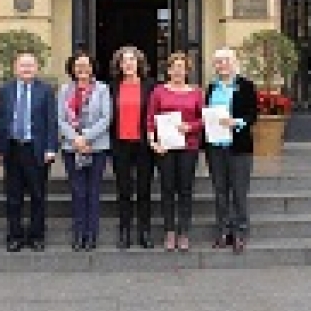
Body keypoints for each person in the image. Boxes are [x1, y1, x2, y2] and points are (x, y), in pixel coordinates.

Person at [0, 52, 59, 252]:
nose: (26, 69)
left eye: (30, 65)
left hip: (36, 149)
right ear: (15, 68)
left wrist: (51, 148)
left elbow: (51, 121)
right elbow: (1, 120)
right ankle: (14, 236)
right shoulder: (5, 90)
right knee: (13, 196)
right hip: (13, 148)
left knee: (37, 195)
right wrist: (0, 148)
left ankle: (36, 236)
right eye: (23, 65)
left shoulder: (46, 91)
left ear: (36, 68)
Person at [146, 52, 204, 252]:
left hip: (189, 147)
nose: (178, 70)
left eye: (182, 67)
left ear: (188, 71)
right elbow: (151, 118)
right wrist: (152, 141)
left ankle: (184, 231)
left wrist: (191, 127)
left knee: (185, 189)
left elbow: (203, 119)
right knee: (167, 188)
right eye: (174, 67)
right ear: (168, 71)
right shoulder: (158, 91)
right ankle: (169, 231)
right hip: (165, 147)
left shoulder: (196, 92)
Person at [205, 47, 258, 254]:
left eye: (226, 60)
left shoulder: (245, 86)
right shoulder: (211, 88)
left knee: (239, 191)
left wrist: (235, 122)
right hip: (216, 147)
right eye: (218, 62)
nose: (222, 65)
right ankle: (222, 232)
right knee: (220, 191)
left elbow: (253, 114)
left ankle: (240, 233)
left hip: (239, 147)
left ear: (234, 62)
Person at [58, 51, 111, 251]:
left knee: (93, 191)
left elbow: (106, 118)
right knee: (78, 192)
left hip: (96, 147)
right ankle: (78, 233)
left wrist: (86, 137)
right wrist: (75, 139)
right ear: (72, 68)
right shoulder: (65, 90)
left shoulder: (102, 89)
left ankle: (92, 235)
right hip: (72, 148)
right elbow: (60, 119)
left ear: (92, 68)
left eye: (86, 65)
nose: (82, 69)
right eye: (78, 66)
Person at [109, 46, 156, 250]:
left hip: (144, 145)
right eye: (124, 60)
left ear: (139, 64)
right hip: (120, 144)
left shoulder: (151, 86)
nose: (128, 64)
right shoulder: (111, 87)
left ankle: (144, 231)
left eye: (132, 60)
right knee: (124, 190)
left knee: (144, 190)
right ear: (119, 65)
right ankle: (125, 231)